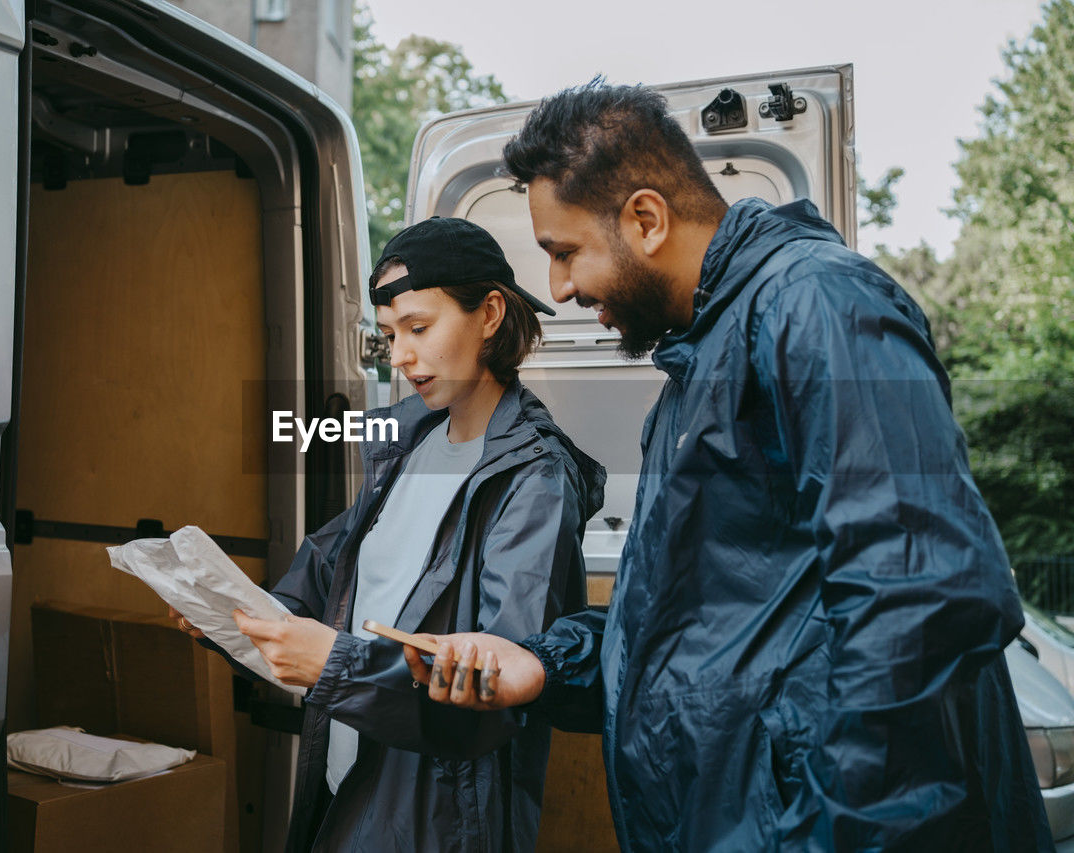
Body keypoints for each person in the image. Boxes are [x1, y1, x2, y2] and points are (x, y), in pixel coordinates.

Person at [405, 81, 1051, 850]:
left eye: (564, 251)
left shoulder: (818, 304)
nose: (559, 288)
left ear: (646, 219)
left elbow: (924, 605)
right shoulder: (694, 372)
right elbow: (694, 635)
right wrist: (542, 665)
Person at [175, 216, 605, 852]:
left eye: (420, 328)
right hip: (349, 767)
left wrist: (334, 663)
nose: (400, 356)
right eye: (389, 335)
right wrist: (241, 614)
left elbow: (494, 684)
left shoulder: (534, 479)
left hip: (439, 812)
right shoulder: (409, 443)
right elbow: (335, 565)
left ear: (489, 315)